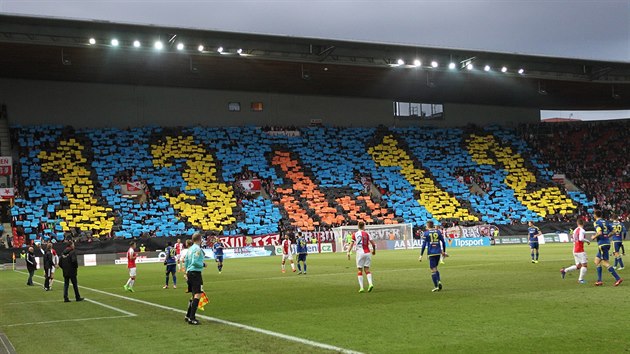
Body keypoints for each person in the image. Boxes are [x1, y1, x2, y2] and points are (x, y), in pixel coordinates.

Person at [591, 210, 623, 286]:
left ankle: (618, 278)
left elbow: (599, 232)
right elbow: (614, 231)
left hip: (602, 244)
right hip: (607, 243)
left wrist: (593, 237)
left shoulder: (596, 223)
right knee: (596, 261)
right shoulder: (605, 222)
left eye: (594, 214)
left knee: (604, 262)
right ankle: (599, 280)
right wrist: (608, 236)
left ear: (595, 215)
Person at [347, 221, 376, 293]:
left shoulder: (355, 234)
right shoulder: (367, 234)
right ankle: (370, 283)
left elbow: (351, 244)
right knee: (367, 270)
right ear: (364, 226)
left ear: (358, 226)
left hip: (360, 253)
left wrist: (348, 252)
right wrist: (374, 251)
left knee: (360, 270)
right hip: (367, 253)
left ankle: (361, 288)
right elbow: (373, 244)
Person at [184, 233, 206, 325]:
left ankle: (188, 315)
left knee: (193, 294)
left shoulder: (189, 249)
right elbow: (195, 261)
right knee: (197, 294)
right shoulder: (197, 249)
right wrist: (203, 264)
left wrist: (186, 272)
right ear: (200, 239)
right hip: (195, 273)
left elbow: (186, 261)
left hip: (189, 272)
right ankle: (192, 318)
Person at [419, 221, 447, 292]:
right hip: (438, 253)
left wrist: (421, 255)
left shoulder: (426, 233)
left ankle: (436, 286)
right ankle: (439, 281)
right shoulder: (438, 232)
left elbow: (424, 245)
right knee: (436, 268)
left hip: (431, 253)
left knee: (433, 270)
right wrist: (444, 251)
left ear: (428, 226)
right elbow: (443, 242)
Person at [560, 219, 590, 283]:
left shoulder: (575, 230)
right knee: (584, 265)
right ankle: (580, 280)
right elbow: (581, 239)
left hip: (575, 250)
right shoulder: (582, 230)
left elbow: (572, 240)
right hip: (580, 250)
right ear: (583, 223)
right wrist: (587, 241)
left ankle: (564, 270)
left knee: (578, 266)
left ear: (577, 223)